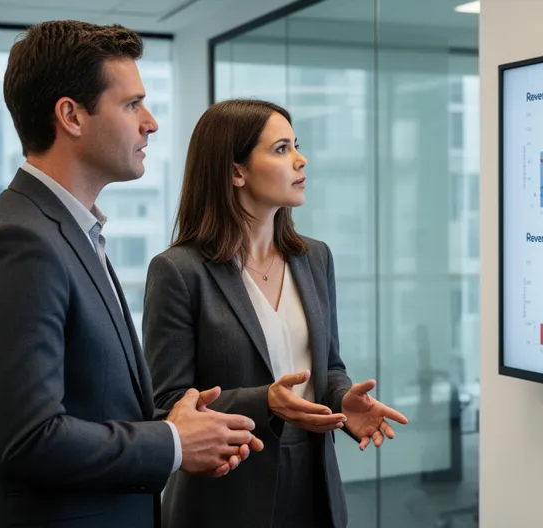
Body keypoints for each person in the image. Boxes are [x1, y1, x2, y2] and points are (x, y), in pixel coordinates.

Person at [0, 21, 262, 528]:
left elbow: (89, 404)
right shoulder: (18, 243)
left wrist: (178, 425)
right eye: (132, 104)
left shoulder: (69, 231)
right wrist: (173, 442)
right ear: (70, 115)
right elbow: (28, 441)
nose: (150, 122)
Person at [143, 99, 409, 527]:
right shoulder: (179, 271)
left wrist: (342, 398)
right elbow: (168, 406)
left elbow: (327, 367)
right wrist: (264, 402)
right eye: (282, 149)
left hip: (314, 483)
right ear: (236, 171)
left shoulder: (314, 258)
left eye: (296, 146)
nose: (301, 160)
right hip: (227, 494)